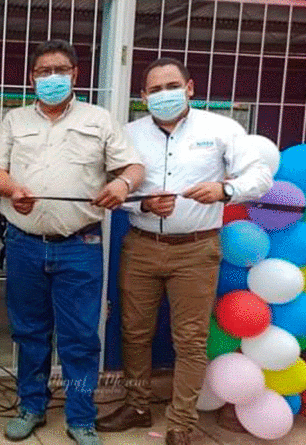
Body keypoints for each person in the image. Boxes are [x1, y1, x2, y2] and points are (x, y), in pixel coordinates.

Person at [95, 57, 272, 445]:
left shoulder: (222, 128)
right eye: (154, 90)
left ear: (189, 88)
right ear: (142, 96)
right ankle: (137, 404)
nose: (164, 95)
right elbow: (113, 188)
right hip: (141, 247)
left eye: (171, 86)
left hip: (196, 249)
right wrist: (140, 204)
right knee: (134, 332)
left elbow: (259, 176)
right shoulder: (129, 134)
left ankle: (181, 423)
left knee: (190, 339)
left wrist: (224, 190)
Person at [0, 40, 144, 445]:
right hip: (24, 244)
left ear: (75, 74)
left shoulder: (99, 119)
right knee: (30, 332)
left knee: (80, 337)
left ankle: (81, 417)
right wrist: (12, 188)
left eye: (59, 70)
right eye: (42, 71)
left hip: (80, 244)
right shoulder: (15, 120)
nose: (51, 78)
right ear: (32, 77)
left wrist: (123, 184)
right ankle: (32, 406)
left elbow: (133, 165)